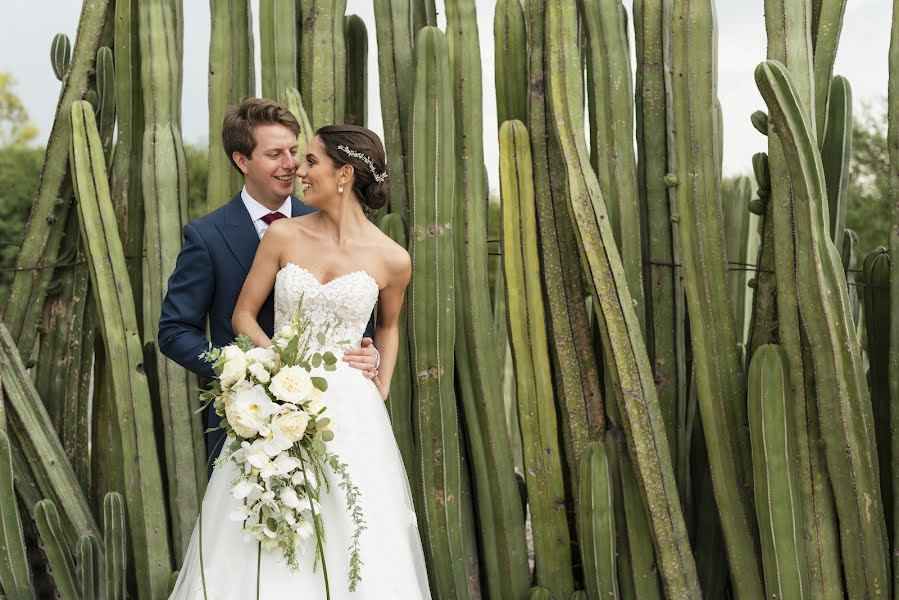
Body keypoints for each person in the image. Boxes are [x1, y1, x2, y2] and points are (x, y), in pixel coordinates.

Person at [169, 124, 431, 598]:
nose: (298, 170)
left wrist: (381, 383)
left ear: (345, 174)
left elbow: (388, 326)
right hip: (276, 403)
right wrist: (274, 372)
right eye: (290, 156)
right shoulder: (284, 235)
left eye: (309, 160)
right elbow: (243, 315)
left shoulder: (393, 258)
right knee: (263, 527)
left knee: (354, 530)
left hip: (352, 413)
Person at [158, 99, 380, 470]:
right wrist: (241, 368)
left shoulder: (330, 221)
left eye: (294, 151)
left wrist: (369, 355)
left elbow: (357, 313)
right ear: (242, 161)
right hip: (245, 422)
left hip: (332, 420)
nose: (291, 164)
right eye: (274, 154)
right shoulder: (207, 236)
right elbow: (174, 330)